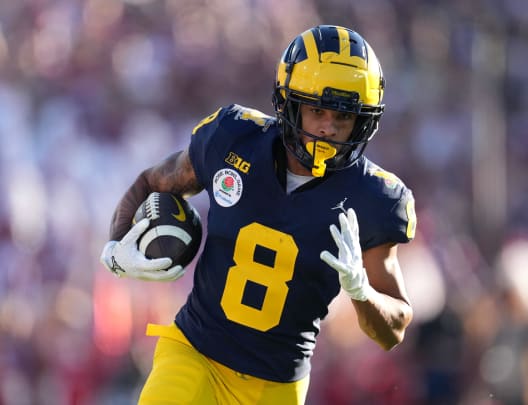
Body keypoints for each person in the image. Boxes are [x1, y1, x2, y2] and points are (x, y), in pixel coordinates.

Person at [100, 25, 417, 404]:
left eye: (344, 117)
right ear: (290, 103)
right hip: (195, 353)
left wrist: (361, 291)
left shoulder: (376, 197)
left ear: (363, 121)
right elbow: (152, 181)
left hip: (277, 385)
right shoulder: (233, 138)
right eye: (317, 110)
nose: (328, 128)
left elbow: (393, 329)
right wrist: (117, 245)